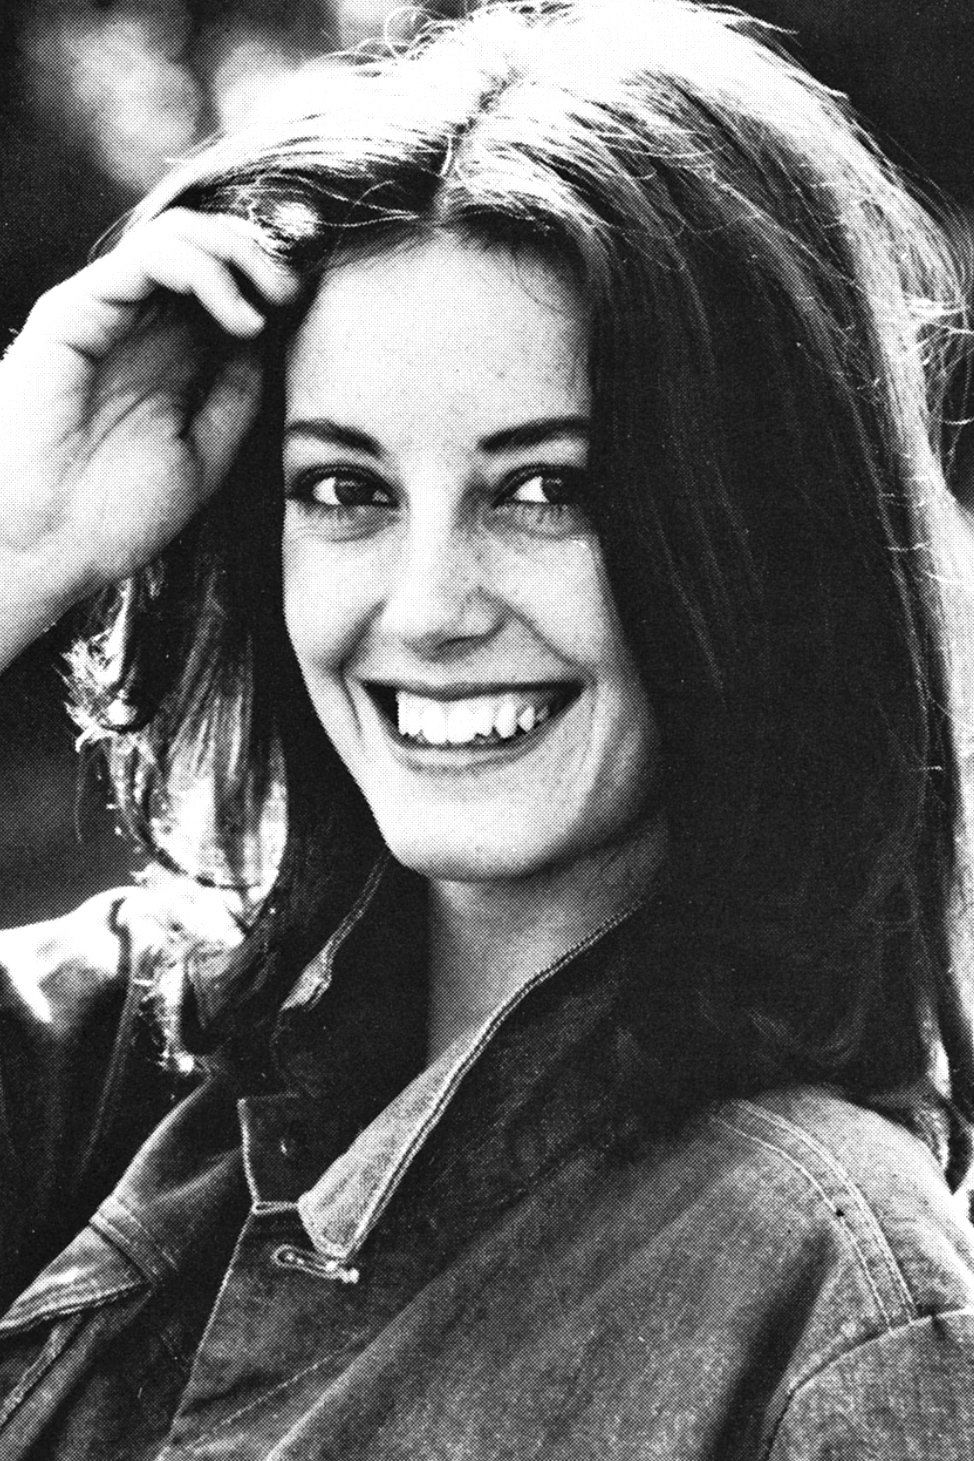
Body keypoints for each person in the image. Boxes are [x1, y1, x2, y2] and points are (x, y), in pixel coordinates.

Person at [0, 0, 973, 1454]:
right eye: (346, 490)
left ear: (760, 534)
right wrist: (15, 548)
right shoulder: (118, 1054)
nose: (427, 608)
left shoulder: (836, 1301)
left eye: (546, 489)